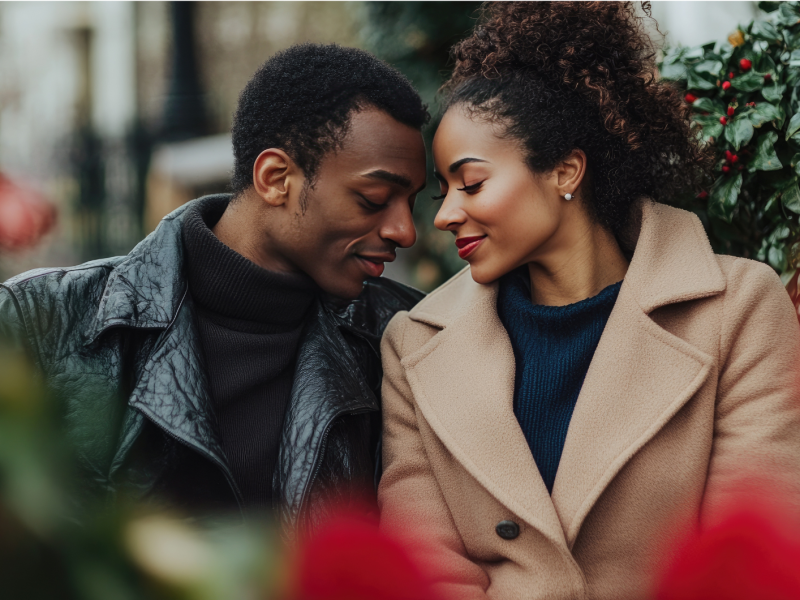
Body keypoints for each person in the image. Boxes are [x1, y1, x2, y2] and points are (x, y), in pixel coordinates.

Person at [377, 3, 800, 599]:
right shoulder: (414, 345)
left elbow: (752, 562)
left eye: (471, 184)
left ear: (566, 171)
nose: (445, 215)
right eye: (444, 190)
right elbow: (425, 574)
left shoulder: (738, 310)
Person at [0, 43, 428, 532]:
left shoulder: (404, 338)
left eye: (410, 202)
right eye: (374, 199)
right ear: (275, 178)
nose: (405, 231)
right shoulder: (36, 320)